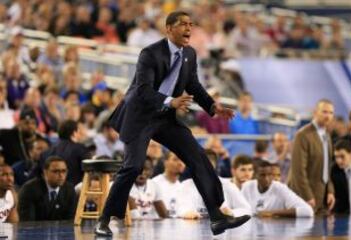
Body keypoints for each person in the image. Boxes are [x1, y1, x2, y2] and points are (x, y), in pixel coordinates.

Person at [95, 11, 250, 236]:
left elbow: (194, 85)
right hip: (139, 116)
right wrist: (171, 101)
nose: (189, 28)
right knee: (133, 166)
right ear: (168, 28)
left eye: (191, 24)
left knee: (198, 155)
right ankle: (104, 219)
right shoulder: (149, 53)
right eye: (183, 24)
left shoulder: (190, 54)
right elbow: (143, 90)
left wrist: (213, 107)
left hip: (165, 117)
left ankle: (216, 216)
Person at [288, 99, 335, 214]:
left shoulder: (327, 135)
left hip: (321, 196)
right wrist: (307, 196)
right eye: (324, 112)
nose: (328, 116)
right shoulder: (303, 135)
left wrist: (330, 191)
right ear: (315, 112)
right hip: (303, 196)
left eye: (331, 113)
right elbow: (298, 171)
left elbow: (327, 167)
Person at [241, 161, 314, 218]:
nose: (266, 179)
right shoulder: (247, 187)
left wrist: (273, 213)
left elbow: (308, 211)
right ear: (255, 175)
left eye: (269, 175)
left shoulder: (281, 188)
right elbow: (237, 210)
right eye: (262, 175)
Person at [18, 156, 76, 221]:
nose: (61, 175)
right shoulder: (29, 189)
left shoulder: (69, 190)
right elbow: (27, 222)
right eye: (56, 171)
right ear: (45, 172)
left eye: (64, 171)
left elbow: (70, 220)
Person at [152, 151, 185, 218]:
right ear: (165, 162)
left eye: (183, 160)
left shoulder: (182, 186)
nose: (180, 163)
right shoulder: (154, 183)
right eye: (175, 159)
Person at [331, 139, 351, 214]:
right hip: (344, 216)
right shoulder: (334, 171)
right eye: (336, 157)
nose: (339, 161)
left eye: (342, 156)